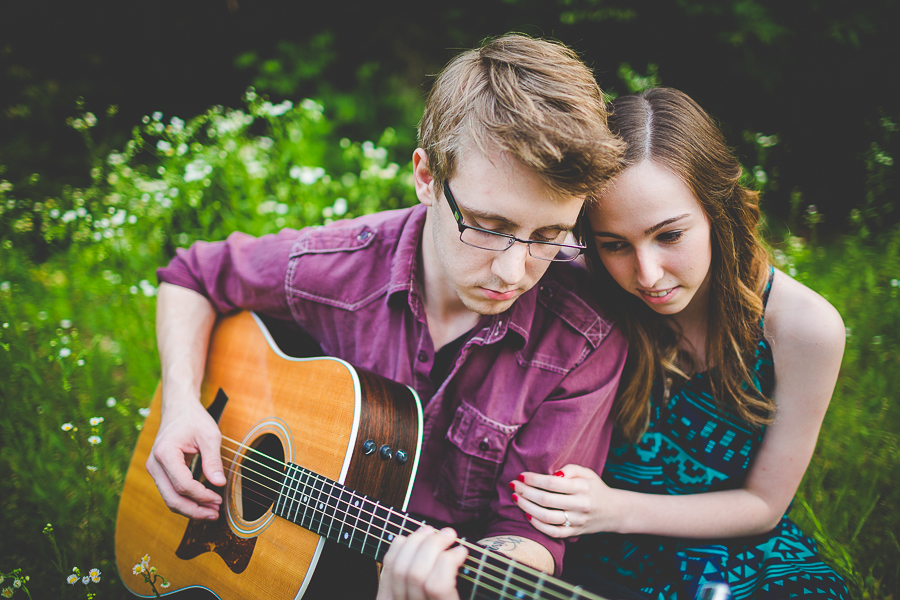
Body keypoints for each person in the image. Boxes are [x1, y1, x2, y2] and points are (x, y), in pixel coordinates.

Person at [148, 34, 628, 599]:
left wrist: (480, 576)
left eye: (549, 236)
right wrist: (180, 405)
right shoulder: (343, 265)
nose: (513, 270)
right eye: (488, 226)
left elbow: (527, 532)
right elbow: (193, 276)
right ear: (427, 178)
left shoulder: (583, 341)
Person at [510, 87, 851, 600]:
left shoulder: (804, 329)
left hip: (730, 551)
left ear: (719, 210)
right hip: (595, 551)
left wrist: (616, 509)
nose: (647, 276)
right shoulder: (583, 290)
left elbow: (762, 505)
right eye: (615, 245)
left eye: (669, 235)